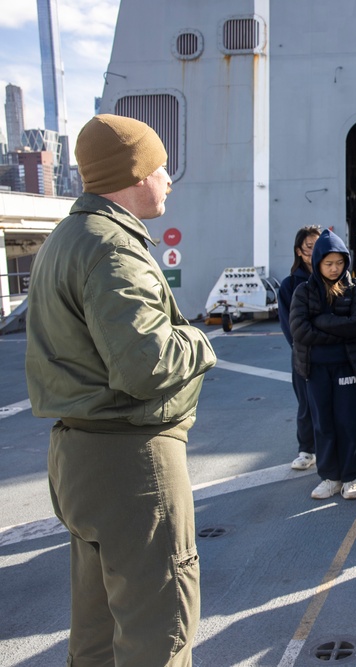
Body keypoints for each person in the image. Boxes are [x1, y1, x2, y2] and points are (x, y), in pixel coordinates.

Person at [25, 114, 217, 665]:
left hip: (81, 456)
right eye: (160, 168)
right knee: (158, 631)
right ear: (135, 173)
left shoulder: (67, 238)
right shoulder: (113, 248)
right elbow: (145, 365)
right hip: (131, 464)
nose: (168, 180)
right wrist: (199, 342)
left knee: (98, 632)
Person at [290, 229, 356, 500]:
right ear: (317, 263)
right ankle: (330, 477)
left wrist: (321, 322)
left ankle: (351, 477)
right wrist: (338, 332)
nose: (334, 268)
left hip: (347, 368)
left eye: (339, 262)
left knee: (347, 422)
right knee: (323, 423)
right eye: (328, 263)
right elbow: (299, 330)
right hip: (315, 370)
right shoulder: (303, 291)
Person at [278, 225, 322, 471]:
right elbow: (288, 325)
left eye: (318, 246)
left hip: (330, 354)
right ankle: (307, 450)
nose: (314, 251)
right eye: (309, 246)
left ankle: (328, 446)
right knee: (306, 404)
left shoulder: (331, 278)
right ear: (299, 251)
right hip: (303, 354)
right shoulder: (289, 285)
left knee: (329, 404)